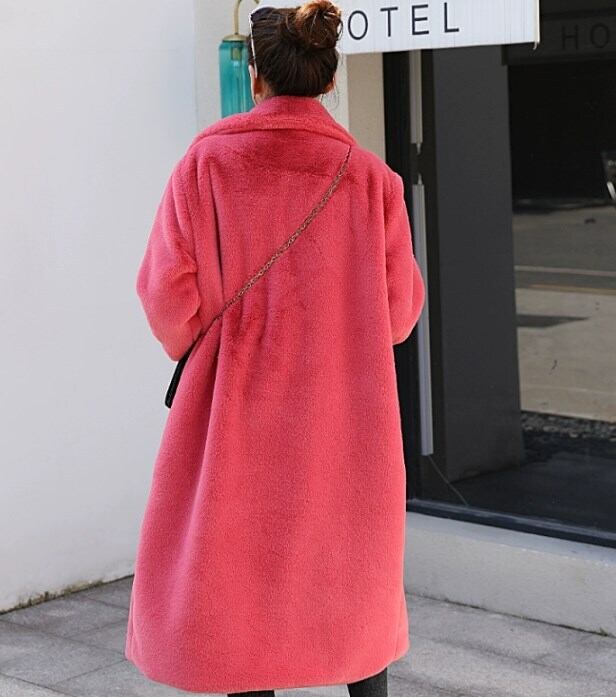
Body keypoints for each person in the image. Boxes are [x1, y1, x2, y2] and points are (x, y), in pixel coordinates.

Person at [124, 1, 426, 696]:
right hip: (345, 415)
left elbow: (168, 301)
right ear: (329, 80)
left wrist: (217, 344)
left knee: (238, 588)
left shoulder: (206, 165)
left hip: (235, 413)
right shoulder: (373, 181)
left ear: (256, 75)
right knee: (351, 575)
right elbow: (399, 313)